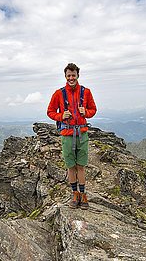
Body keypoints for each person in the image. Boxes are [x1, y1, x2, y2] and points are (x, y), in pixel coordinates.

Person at [47, 63, 97, 209]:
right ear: (65, 76)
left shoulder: (86, 92)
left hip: (81, 133)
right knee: (71, 166)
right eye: (68, 75)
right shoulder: (59, 93)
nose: (71, 78)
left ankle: (82, 195)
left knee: (80, 165)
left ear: (77, 76)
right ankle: (74, 194)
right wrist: (61, 116)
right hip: (67, 133)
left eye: (73, 75)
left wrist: (85, 113)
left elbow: (93, 109)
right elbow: (50, 112)